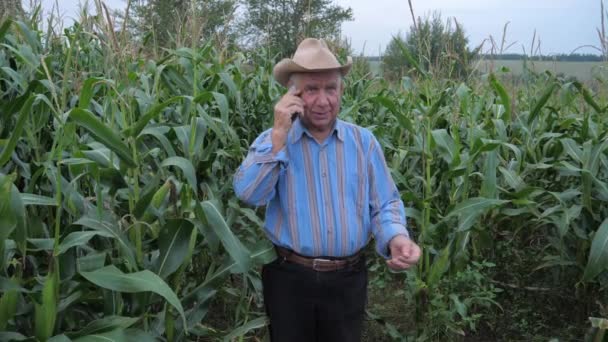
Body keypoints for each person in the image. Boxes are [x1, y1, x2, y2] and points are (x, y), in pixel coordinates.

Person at [233, 38, 421, 342]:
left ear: (341, 91)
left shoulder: (364, 143)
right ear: (292, 94)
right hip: (289, 278)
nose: (323, 101)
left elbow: (385, 203)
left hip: (348, 279)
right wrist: (279, 134)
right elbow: (249, 194)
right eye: (311, 90)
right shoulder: (275, 140)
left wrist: (397, 237)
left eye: (330, 88)